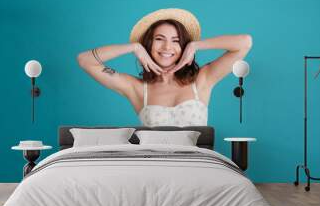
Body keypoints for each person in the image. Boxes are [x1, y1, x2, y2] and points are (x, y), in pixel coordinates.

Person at [77, 8, 252, 127]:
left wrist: (196, 45)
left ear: (183, 46)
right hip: (154, 169)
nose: (167, 47)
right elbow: (84, 60)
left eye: (176, 41)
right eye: (159, 39)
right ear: (149, 44)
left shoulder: (202, 80)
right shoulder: (137, 89)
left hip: (196, 168)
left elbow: (244, 42)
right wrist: (134, 47)